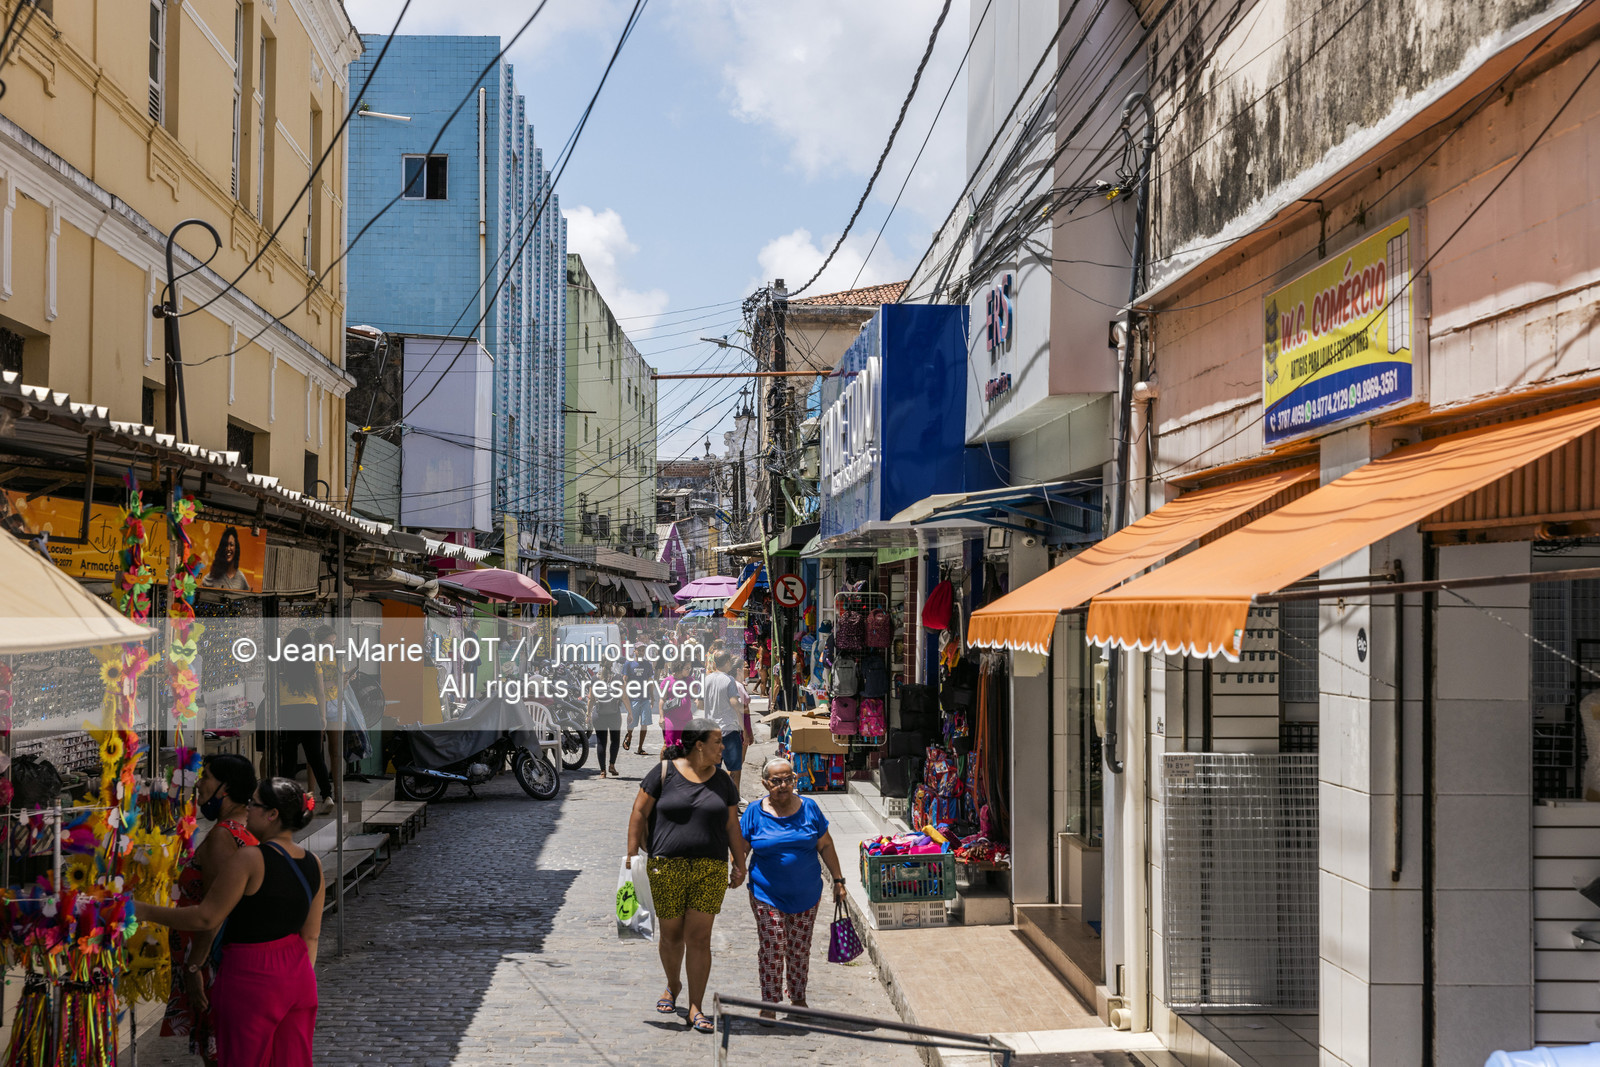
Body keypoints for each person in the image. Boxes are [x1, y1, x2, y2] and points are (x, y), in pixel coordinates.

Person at [136, 777, 326, 1067]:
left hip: (252, 974)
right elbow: (311, 936)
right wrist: (292, 979)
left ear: (272, 814)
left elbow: (206, 916)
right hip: (298, 976)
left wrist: (145, 911)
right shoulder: (314, 862)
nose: (247, 809)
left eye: (254, 804)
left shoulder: (250, 858)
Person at [626, 720, 749, 1034]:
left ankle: (696, 1006)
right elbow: (639, 811)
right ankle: (673, 983)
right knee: (671, 935)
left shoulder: (723, 781)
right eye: (718, 742)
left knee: (699, 938)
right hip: (666, 867)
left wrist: (739, 862)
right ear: (699, 745)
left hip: (710, 869)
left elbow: (732, 825)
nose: (723, 748)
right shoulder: (663, 773)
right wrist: (631, 855)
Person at [160, 754, 260, 1065]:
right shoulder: (243, 830)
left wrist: (194, 968)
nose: (199, 783)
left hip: (211, 967)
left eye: (206, 777)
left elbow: (215, 911)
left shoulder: (222, 836)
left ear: (225, 787)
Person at [740, 757, 847, 1017]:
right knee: (773, 944)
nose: (784, 785)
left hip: (806, 894)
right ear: (765, 783)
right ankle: (770, 1002)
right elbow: (741, 850)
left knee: (799, 948)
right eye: (777, 781)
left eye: (789, 779)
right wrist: (733, 871)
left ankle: (798, 998)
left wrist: (839, 880)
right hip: (766, 893)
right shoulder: (754, 812)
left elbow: (826, 845)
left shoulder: (809, 808)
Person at [276, 627, 334, 814]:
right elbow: (320, 691)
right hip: (310, 711)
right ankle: (327, 796)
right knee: (316, 758)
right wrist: (323, 716)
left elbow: (268, 690)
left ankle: (288, 799)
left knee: (289, 758)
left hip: (288, 713)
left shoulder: (281, 663)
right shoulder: (313, 663)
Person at [699, 650, 751, 790]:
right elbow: (735, 703)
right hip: (728, 730)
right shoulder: (729, 680)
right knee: (734, 768)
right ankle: (733, 799)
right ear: (727, 662)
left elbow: (699, 704)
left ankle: (714, 799)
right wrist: (743, 708)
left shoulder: (706, 679)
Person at [588, 659, 625, 778]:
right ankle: (612, 765)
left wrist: (588, 714)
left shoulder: (594, 678)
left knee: (601, 742)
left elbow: (591, 699)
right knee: (615, 740)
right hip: (614, 713)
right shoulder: (618, 677)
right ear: (612, 664)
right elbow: (624, 696)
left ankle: (602, 771)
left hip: (599, 715)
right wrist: (630, 712)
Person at [622, 641, 656, 755]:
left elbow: (650, 681)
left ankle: (640, 748)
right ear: (634, 651)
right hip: (633, 699)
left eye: (643, 650)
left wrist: (652, 697)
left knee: (644, 724)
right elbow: (624, 680)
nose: (641, 652)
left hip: (645, 698)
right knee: (631, 723)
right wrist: (624, 695)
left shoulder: (648, 665)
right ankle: (629, 736)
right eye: (639, 650)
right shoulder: (628, 664)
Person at [657, 661, 695, 760]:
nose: (689, 670)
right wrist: (661, 717)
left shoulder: (690, 680)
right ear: (679, 668)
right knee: (671, 746)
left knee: (686, 746)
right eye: (687, 668)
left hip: (686, 719)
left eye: (689, 668)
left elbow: (695, 695)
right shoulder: (667, 681)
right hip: (671, 719)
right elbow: (662, 699)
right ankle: (668, 769)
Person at [202, 526, 252, 591]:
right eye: (225, 545)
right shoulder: (213, 575)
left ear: (236, 548)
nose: (228, 548)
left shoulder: (241, 578)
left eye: (231, 545)